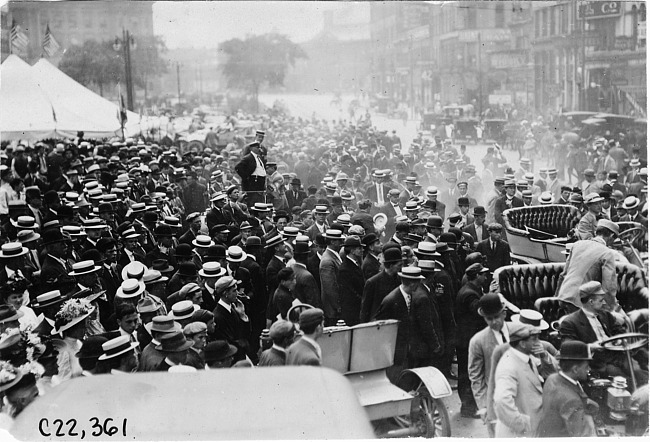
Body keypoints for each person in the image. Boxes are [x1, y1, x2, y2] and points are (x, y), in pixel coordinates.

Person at [559, 281, 648, 385]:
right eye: (601, 301)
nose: (604, 303)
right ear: (591, 302)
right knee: (624, 380)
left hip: (618, 354)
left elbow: (618, 330)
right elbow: (567, 346)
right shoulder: (570, 322)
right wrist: (590, 347)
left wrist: (619, 339)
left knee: (639, 372)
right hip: (598, 361)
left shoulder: (605, 315)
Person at [493, 323, 558, 437]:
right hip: (517, 434)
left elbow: (552, 373)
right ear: (522, 343)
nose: (538, 342)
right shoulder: (509, 366)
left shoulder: (526, 358)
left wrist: (543, 355)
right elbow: (501, 401)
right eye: (534, 339)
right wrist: (522, 425)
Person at [468, 293, 511, 434]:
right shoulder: (478, 341)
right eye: (489, 319)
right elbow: (476, 376)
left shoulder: (519, 331)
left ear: (504, 313)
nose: (493, 322)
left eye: (496, 317)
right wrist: (484, 406)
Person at [535, 340, 599, 437]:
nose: (588, 369)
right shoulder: (572, 401)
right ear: (575, 369)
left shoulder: (552, 378)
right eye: (586, 366)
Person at [556, 219, 619, 310]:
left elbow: (563, 274)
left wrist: (557, 297)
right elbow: (608, 289)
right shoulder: (607, 253)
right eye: (614, 239)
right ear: (612, 236)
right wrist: (615, 308)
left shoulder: (577, 245)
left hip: (563, 297)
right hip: (580, 304)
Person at [456, 263, 490, 418]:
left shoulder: (472, 289)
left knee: (470, 373)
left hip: (466, 338)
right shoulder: (470, 294)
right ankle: (467, 408)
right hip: (467, 340)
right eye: (483, 274)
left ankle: (470, 406)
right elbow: (480, 312)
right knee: (469, 374)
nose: (486, 277)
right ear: (476, 276)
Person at [359, 247, 402, 323]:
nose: (401, 267)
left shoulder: (400, 280)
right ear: (391, 266)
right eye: (399, 265)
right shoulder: (373, 282)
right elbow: (365, 310)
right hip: (378, 325)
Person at [338, 236, 365, 326]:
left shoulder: (355, 264)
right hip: (352, 310)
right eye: (359, 248)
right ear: (352, 251)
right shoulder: (345, 269)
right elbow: (350, 292)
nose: (362, 250)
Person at [319, 229, 344, 326]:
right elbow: (330, 287)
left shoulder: (333, 255)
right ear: (332, 242)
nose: (341, 243)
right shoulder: (327, 260)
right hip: (332, 309)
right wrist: (337, 306)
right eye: (339, 241)